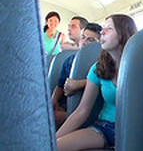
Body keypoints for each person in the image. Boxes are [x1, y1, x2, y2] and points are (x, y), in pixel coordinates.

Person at [56, 14, 137, 151]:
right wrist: (52, 140)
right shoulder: (98, 68)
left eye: (109, 28)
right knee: (56, 147)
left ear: (123, 34)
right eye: (103, 28)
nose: (102, 32)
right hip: (105, 127)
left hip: (134, 130)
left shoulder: (140, 67)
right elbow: (82, 111)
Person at [52, 23, 102, 129]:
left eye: (90, 40)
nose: (84, 42)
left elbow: (102, 78)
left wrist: (78, 84)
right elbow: (60, 86)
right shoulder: (69, 60)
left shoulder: (103, 63)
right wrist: (53, 101)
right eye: (83, 37)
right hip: (66, 105)